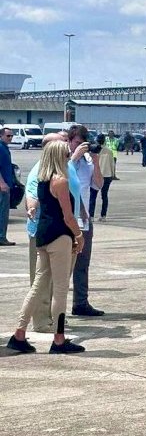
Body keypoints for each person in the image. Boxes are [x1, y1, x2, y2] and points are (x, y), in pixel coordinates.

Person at [7, 140, 86, 354]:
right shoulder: (60, 181)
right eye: (66, 153)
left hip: (43, 235)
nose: (68, 155)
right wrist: (79, 235)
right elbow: (68, 215)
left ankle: (19, 333)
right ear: (58, 156)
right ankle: (58, 339)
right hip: (60, 236)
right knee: (60, 289)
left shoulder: (43, 180)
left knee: (38, 285)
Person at [24, 132, 81, 332]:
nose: (67, 146)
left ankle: (40, 324)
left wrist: (82, 212)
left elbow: (76, 193)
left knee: (55, 280)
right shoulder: (41, 171)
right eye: (62, 142)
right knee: (48, 283)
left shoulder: (67, 167)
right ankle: (43, 322)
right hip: (52, 230)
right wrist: (79, 235)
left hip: (63, 229)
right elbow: (31, 195)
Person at [68, 124, 105, 317]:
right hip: (66, 218)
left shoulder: (89, 161)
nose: (81, 147)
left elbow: (98, 185)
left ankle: (80, 303)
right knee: (62, 265)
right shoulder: (64, 156)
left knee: (82, 263)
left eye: (84, 143)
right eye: (77, 143)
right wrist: (74, 157)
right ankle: (53, 307)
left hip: (84, 220)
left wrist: (96, 161)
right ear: (69, 141)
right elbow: (62, 177)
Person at [89, 134, 114, 221]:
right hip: (107, 175)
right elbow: (112, 164)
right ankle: (103, 215)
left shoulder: (94, 150)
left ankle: (91, 216)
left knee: (93, 196)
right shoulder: (109, 151)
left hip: (96, 174)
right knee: (104, 196)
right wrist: (113, 174)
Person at [0, 126, 15, 246]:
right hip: (2, 187)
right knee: (3, 212)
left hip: (6, 185)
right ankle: (1, 237)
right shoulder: (0, 147)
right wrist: (2, 183)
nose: (10, 138)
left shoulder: (4, 148)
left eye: (11, 136)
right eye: (8, 136)